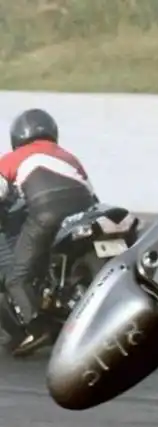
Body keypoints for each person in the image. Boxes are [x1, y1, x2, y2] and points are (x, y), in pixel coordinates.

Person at [0, 108, 97, 356]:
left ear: (18, 135)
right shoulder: (68, 156)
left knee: (16, 277)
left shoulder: (14, 157)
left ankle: (37, 327)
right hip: (85, 210)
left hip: (46, 212)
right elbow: (91, 191)